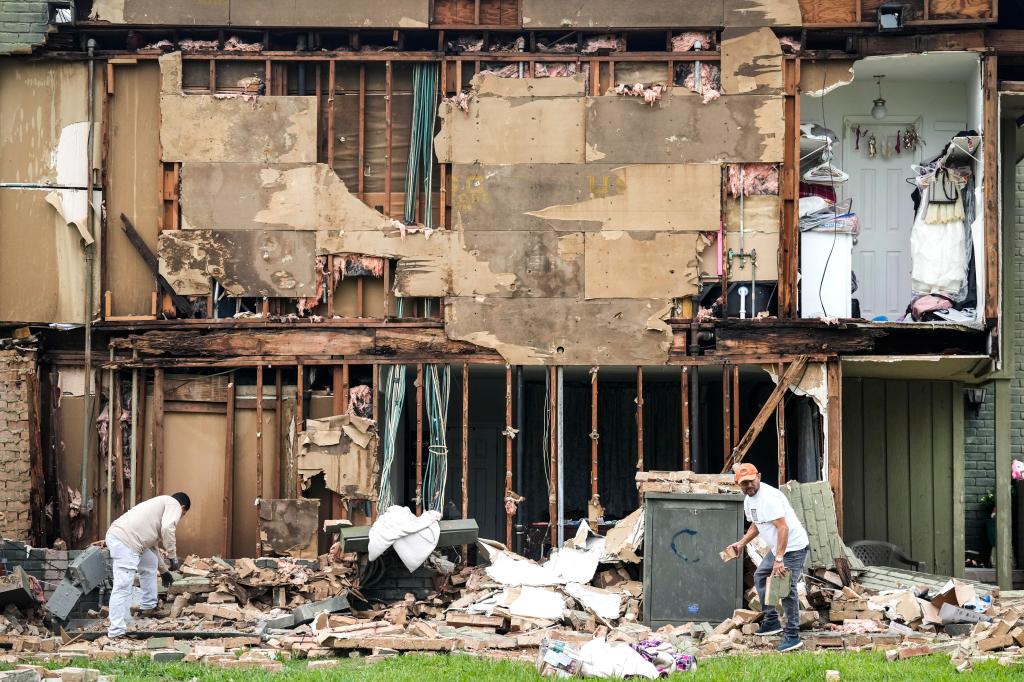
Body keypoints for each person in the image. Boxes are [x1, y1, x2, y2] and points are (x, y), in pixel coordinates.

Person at [723, 464, 809, 653]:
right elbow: (757, 524)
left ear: (759, 477)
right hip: (779, 546)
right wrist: (741, 543)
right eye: (743, 483)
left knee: (785, 587)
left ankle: (792, 636)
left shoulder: (769, 498)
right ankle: (771, 621)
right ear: (738, 484)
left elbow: (783, 528)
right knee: (760, 576)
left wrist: (779, 559)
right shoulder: (748, 500)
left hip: (793, 547)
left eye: (751, 481)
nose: (748, 486)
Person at [105, 492, 190, 639]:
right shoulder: (173, 504)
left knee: (150, 560)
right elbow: (168, 528)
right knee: (123, 585)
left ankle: (148, 607)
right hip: (125, 541)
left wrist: (163, 571)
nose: (180, 517)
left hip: (125, 538)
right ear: (182, 507)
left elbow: (152, 548)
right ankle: (116, 631)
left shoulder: (158, 509)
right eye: (183, 514)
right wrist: (172, 556)